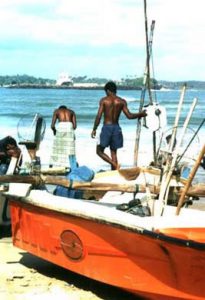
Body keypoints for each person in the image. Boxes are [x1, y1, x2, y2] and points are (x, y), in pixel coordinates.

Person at [91, 81, 146, 170]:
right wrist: (141, 114)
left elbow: (98, 116)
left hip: (107, 128)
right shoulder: (121, 101)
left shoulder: (104, 100)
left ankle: (114, 165)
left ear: (108, 90)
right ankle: (115, 172)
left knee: (99, 151)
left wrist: (94, 129)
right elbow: (130, 116)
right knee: (113, 152)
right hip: (116, 128)